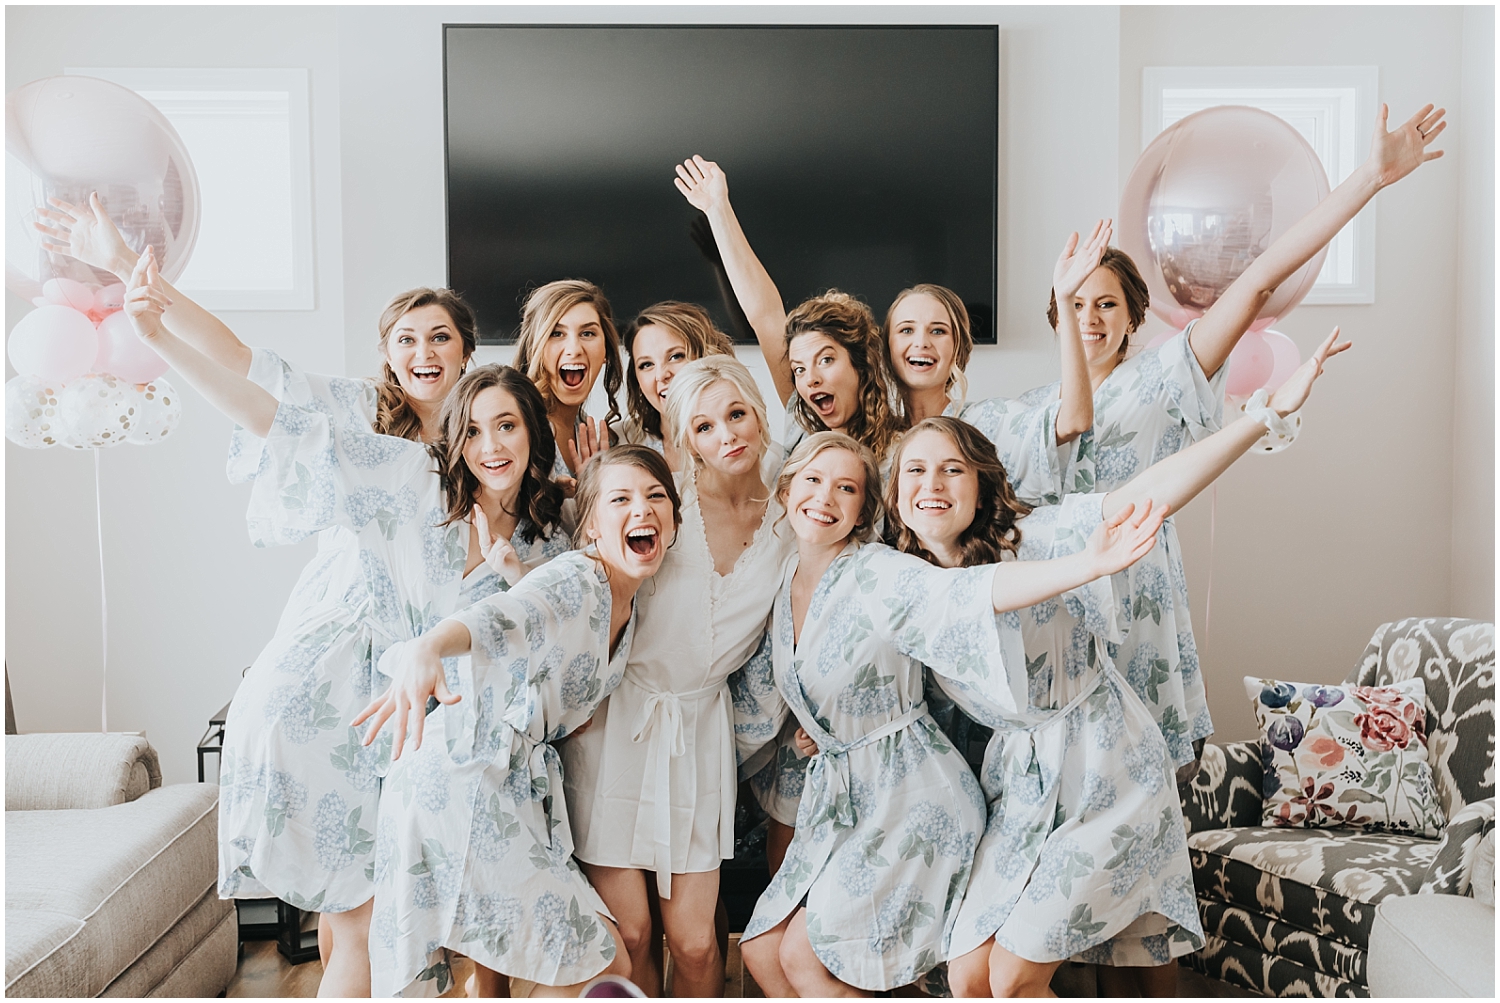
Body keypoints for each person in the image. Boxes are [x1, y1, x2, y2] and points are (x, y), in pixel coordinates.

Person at [120, 249, 566, 996]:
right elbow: (265, 405)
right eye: (407, 340)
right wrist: (159, 335)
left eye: (508, 428)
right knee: (356, 913)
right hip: (348, 694)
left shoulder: (542, 527)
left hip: (453, 729)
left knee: (413, 916)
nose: (493, 445)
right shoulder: (396, 467)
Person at [884, 328, 1349, 997]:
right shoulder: (902, 583)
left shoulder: (1036, 535)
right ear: (896, 490)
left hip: (1107, 767)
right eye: (915, 470)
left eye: (951, 468)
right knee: (968, 978)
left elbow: (1153, 490)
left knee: (1013, 977)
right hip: (1022, 787)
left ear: (981, 482)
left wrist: (1262, 415)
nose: (932, 484)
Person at [1017, 104, 1447, 822]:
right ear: (1057, 313)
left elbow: (1257, 279)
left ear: (1133, 316)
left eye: (1108, 304)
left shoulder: (1166, 374)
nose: (1091, 317)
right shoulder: (1026, 413)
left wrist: (1367, 180)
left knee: (1149, 806)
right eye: (1077, 303)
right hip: (1058, 612)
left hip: (1141, 604)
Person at [730, 431, 1166, 995]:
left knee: (805, 956)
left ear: (864, 509)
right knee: (762, 948)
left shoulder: (879, 571)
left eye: (846, 488)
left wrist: (1086, 564)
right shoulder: (782, 584)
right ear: (786, 492)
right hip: (845, 795)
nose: (826, 498)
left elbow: (974, 591)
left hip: (912, 795)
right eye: (813, 481)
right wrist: (810, 732)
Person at [354, 446, 682, 997]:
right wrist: (430, 646)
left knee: (529, 962)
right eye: (620, 499)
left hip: (502, 787)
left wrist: (513, 571)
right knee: (596, 958)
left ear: (673, 517)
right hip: (464, 779)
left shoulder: (623, 602)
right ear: (593, 526)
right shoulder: (579, 577)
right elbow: (503, 616)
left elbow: (540, 621)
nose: (642, 510)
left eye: (655, 497)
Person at [563, 356, 792, 996]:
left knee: (694, 941)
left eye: (736, 414)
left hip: (699, 727)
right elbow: (594, 581)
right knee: (631, 934)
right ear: (683, 439)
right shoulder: (665, 502)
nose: (727, 436)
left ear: (758, 411)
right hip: (614, 725)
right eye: (704, 427)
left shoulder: (791, 513)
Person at [510, 278, 626, 483]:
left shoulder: (592, 437)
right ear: (533, 347)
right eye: (556, 333)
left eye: (587, 333)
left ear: (606, 349)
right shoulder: (516, 428)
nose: (574, 349)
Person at [615, 300, 737, 472]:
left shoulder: (742, 438)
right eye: (646, 365)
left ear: (706, 357)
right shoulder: (619, 444)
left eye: (675, 356)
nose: (661, 375)